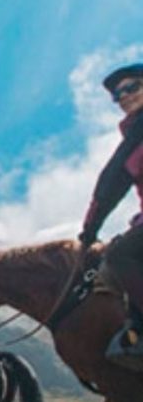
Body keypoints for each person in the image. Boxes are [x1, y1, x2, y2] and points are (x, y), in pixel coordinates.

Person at [78, 63, 143, 365]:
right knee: (117, 260)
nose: (123, 97)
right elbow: (107, 189)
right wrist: (88, 232)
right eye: (117, 95)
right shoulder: (131, 143)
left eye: (132, 87)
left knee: (120, 257)